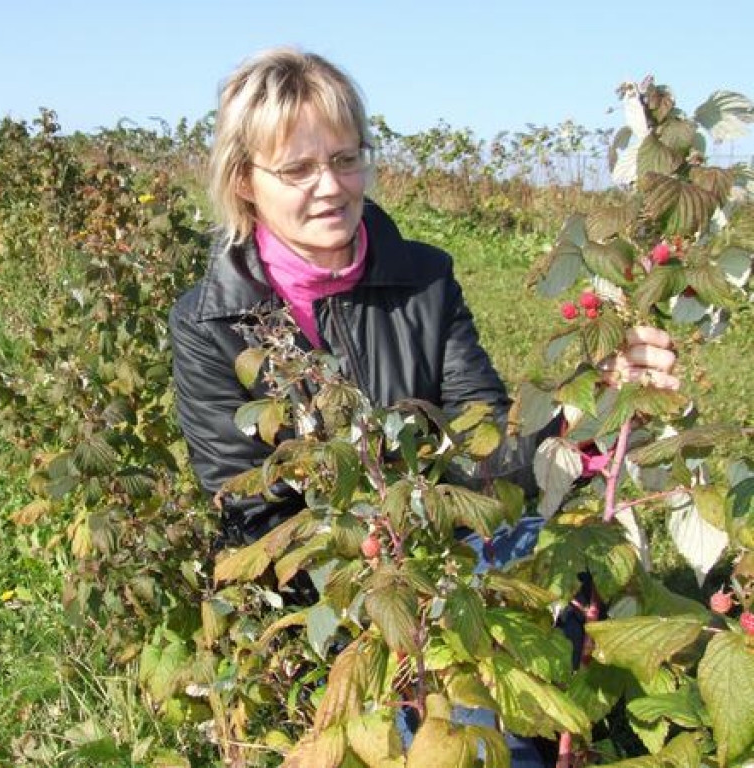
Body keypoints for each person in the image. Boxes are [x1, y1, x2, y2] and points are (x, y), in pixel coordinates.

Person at [167, 46, 677, 763]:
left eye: (346, 159)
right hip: (335, 583)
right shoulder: (210, 322)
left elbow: (484, 444)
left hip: (449, 549)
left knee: (555, 556)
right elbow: (248, 504)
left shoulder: (425, 279)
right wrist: (382, 570)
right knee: (455, 678)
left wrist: (582, 407)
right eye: (297, 169)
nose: (330, 187)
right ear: (244, 181)